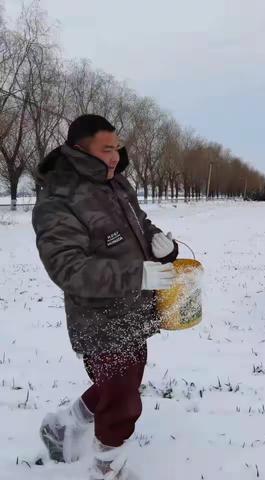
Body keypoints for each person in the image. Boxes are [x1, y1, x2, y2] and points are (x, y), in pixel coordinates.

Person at [32, 115, 179, 480]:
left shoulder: (116, 183)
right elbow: (68, 269)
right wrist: (137, 273)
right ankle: (106, 468)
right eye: (107, 149)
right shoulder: (59, 200)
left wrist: (161, 245)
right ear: (80, 149)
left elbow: (140, 224)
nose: (116, 156)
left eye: (117, 148)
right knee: (123, 400)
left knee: (122, 381)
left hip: (133, 307)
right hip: (98, 317)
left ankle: (64, 427)